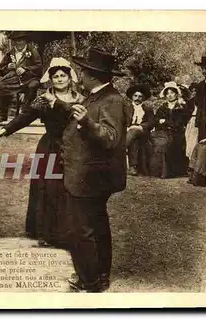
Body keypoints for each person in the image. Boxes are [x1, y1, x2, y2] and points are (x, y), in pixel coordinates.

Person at [0, 57, 84, 248]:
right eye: (55, 76)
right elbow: (26, 116)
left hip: (72, 148)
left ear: (69, 78)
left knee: (69, 187)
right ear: (50, 79)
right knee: (47, 187)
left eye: (62, 76)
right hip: (49, 147)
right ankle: (46, 232)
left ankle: (66, 232)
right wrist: (5, 130)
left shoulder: (80, 98)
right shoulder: (43, 99)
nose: (59, 79)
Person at [63, 47, 131, 292]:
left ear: (92, 75)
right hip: (90, 175)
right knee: (97, 225)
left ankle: (89, 280)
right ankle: (99, 276)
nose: (79, 75)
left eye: (82, 71)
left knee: (82, 229)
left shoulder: (110, 100)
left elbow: (111, 137)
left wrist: (86, 122)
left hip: (89, 177)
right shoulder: (97, 96)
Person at [0, 31, 42, 122]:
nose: (18, 43)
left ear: (25, 41)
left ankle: (25, 113)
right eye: (16, 41)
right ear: (13, 42)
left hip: (30, 78)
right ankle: (2, 114)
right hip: (15, 80)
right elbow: (0, 68)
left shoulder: (32, 51)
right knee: (1, 85)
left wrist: (26, 69)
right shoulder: (10, 53)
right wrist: (8, 67)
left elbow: (39, 67)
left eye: (21, 40)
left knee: (33, 86)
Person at [148, 81, 192, 179]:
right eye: (167, 93)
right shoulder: (162, 107)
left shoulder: (182, 107)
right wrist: (161, 123)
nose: (170, 95)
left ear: (176, 94)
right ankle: (157, 170)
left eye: (172, 93)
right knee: (157, 142)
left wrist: (165, 122)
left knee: (168, 143)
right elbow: (156, 120)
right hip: (163, 132)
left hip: (177, 133)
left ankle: (167, 171)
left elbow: (180, 123)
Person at [125, 84, 154, 176]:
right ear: (132, 97)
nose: (137, 98)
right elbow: (121, 120)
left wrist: (140, 127)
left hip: (142, 131)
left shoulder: (148, 109)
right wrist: (127, 128)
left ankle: (121, 148)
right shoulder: (126, 108)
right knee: (134, 140)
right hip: (128, 131)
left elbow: (151, 123)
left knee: (134, 131)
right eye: (135, 96)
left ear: (143, 98)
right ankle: (133, 166)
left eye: (140, 96)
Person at [193, 56, 206, 142]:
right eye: (203, 68)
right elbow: (197, 102)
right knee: (202, 143)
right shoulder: (201, 85)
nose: (204, 71)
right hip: (202, 120)